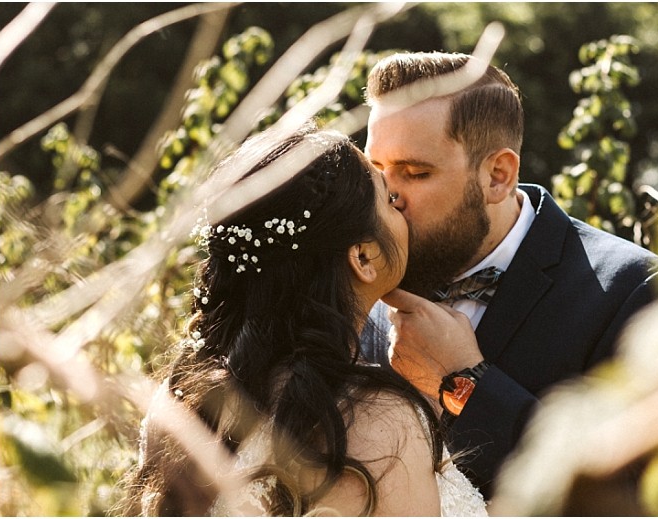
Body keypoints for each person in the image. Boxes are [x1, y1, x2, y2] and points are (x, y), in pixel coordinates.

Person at [360, 51, 658, 498]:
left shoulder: (637, 292)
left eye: (416, 173)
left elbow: (637, 499)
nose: (389, 197)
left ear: (498, 175)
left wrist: (462, 384)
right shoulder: (362, 278)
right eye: (377, 171)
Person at [120, 126, 487, 516]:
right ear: (362, 258)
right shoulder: (379, 424)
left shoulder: (180, 401)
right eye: (390, 199)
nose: (403, 207)